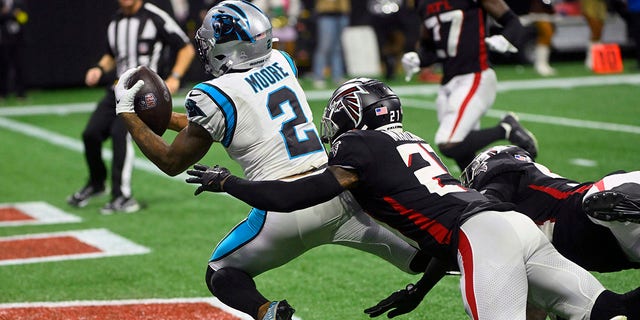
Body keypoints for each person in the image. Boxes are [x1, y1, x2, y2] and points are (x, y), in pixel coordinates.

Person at [186, 77, 640, 319]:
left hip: (483, 238)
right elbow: (446, 226)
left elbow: (300, 195)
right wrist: (417, 291)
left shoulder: (358, 147)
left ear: (351, 115)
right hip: (512, 225)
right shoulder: (412, 141)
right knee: (606, 311)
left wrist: (230, 183)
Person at [114, 2, 428, 319]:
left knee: (221, 273)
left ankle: (268, 312)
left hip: (283, 212)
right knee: (424, 259)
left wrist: (127, 114)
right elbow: (231, 121)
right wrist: (167, 119)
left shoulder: (211, 94)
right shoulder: (283, 62)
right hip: (337, 194)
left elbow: (171, 161)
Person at [66, 0, 195, 214]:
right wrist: (99, 68)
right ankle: (97, 184)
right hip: (117, 88)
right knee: (91, 134)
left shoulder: (155, 16)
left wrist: (175, 77)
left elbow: (186, 48)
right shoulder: (116, 20)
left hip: (142, 95)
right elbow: (111, 55)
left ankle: (123, 196)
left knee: (120, 135)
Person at [401, 0, 539, 171]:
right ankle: (477, 192)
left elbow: (513, 21)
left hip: (475, 75)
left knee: (449, 143)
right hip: (448, 82)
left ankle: (506, 129)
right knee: (462, 150)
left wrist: (506, 38)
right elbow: (430, 46)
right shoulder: (423, 3)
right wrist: (418, 58)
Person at [461, 145, 640, 272]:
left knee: (600, 197)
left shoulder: (504, 176)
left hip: (585, 216)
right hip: (597, 244)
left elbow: (482, 209)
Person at [311, 0, 350, 89]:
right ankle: (318, 76)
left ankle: (337, 76)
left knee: (337, 47)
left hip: (342, 13)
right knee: (324, 47)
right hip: (326, 13)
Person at [0, 0, 28, 101]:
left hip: (17, 41)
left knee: (19, 68)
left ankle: (20, 94)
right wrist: (12, 14)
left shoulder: (19, 4)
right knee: (3, 69)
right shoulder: (1, 3)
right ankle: (2, 94)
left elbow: (24, 19)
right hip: (3, 42)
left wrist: (9, 13)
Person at [581, 0, 608, 70]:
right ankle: (591, 60)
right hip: (590, 4)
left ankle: (596, 59)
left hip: (600, 4)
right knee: (595, 32)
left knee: (599, 32)